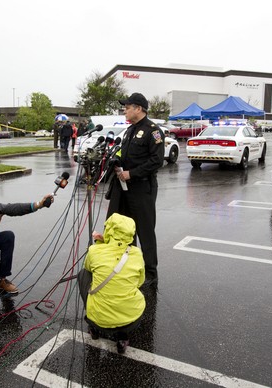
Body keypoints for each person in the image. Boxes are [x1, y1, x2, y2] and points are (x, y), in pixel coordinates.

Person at [106, 93, 165, 289]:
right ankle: (130, 267)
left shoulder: (153, 131)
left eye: (127, 107)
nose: (124, 110)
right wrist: (116, 163)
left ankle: (150, 273)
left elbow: (156, 161)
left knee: (145, 231)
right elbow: (126, 155)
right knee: (126, 230)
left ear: (138, 108)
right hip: (124, 188)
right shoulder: (130, 130)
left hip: (142, 188)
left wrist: (133, 173)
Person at [78, 213, 145, 354]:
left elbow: (88, 268)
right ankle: (122, 338)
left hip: (99, 320)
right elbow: (140, 282)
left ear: (109, 230)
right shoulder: (137, 254)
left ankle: (93, 327)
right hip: (130, 321)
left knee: (83, 274)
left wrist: (101, 243)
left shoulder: (95, 251)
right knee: (130, 287)